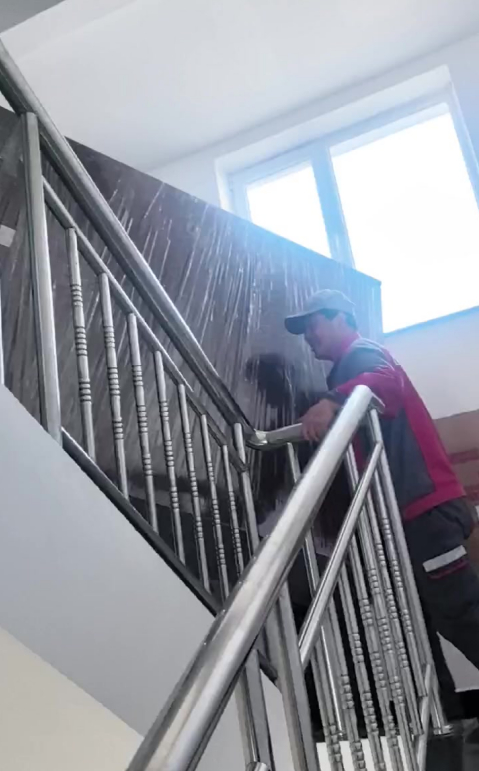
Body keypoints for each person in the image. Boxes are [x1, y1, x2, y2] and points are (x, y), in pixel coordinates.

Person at [285, 289, 479, 754]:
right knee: (418, 626)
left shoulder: (362, 354)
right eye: (304, 328)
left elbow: (386, 384)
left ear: (342, 318)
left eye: (315, 322)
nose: (309, 334)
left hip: (425, 511)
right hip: (406, 519)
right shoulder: (346, 369)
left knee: (461, 613)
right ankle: (447, 724)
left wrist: (333, 401)